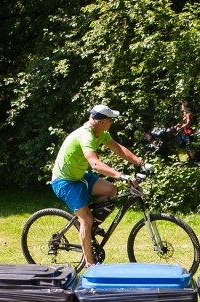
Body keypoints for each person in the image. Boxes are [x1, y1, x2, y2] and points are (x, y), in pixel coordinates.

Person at [50, 104, 144, 267]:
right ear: (102, 122)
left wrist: (139, 162)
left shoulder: (100, 133)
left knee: (111, 190)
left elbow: (118, 148)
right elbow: (94, 163)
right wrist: (121, 176)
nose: (112, 123)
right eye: (110, 120)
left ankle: (91, 227)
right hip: (64, 182)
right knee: (86, 219)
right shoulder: (86, 136)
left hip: (78, 177)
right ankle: (89, 263)